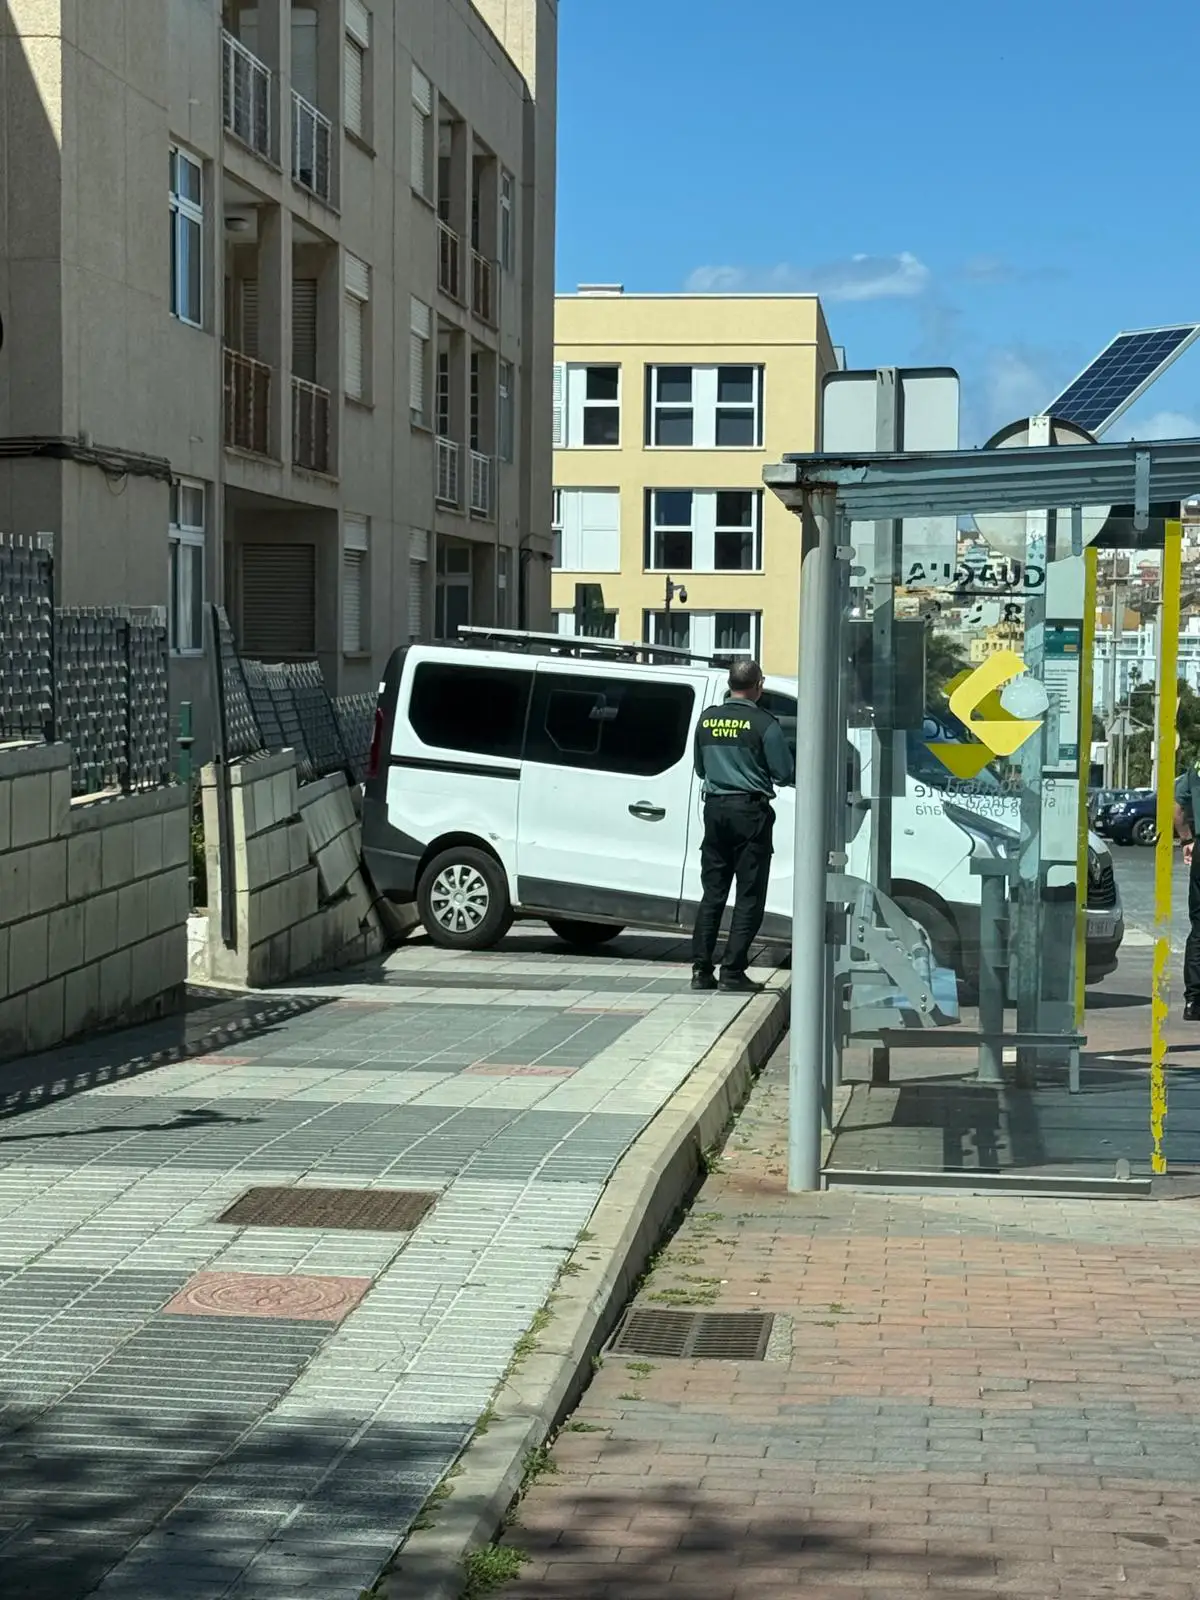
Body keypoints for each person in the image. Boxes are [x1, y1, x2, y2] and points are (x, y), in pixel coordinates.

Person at [691, 657, 795, 993]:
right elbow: (783, 772)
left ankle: (700, 971)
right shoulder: (765, 724)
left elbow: (700, 769)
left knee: (713, 894)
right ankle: (732, 971)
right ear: (759, 685)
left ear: (729, 684)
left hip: (716, 810)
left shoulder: (706, 720)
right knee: (749, 896)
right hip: (749, 814)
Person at [1174, 758, 1200, 1019]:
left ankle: (1194, 1001)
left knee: (1199, 928)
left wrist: (1187, 840)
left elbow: (1177, 808)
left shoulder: (1196, 766)